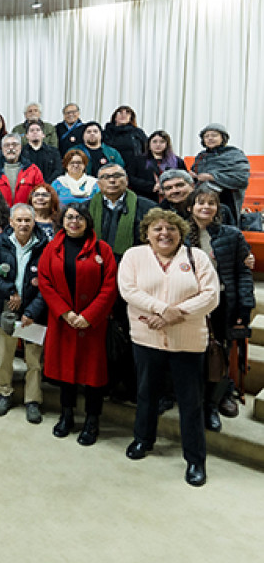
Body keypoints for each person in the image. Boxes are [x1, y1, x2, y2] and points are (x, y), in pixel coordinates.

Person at [118, 208, 219, 487]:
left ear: (181, 232)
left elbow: (211, 295)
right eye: (157, 229)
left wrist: (178, 313)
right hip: (146, 338)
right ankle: (143, 440)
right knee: (146, 393)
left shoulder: (195, 257)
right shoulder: (134, 256)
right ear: (147, 233)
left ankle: (196, 459)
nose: (165, 234)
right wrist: (164, 310)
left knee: (190, 402)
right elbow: (128, 290)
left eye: (171, 229)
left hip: (188, 341)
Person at [37, 202, 117, 445]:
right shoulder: (52, 248)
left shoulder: (102, 249)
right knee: (65, 373)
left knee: (93, 376)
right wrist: (65, 312)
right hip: (63, 322)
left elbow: (110, 286)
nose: (74, 221)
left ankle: (92, 420)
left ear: (87, 221)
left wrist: (89, 316)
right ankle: (67, 415)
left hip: (92, 325)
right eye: (70, 217)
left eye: (80, 217)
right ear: (62, 220)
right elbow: (44, 281)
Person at [186, 186, 255, 431]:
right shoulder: (178, 233)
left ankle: (211, 405)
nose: (205, 207)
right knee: (190, 356)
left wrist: (245, 307)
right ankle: (191, 403)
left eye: (211, 203)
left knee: (219, 356)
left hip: (222, 304)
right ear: (190, 207)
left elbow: (243, 273)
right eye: (200, 203)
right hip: (189, 306)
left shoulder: (231, 234)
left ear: (217, 208)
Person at [88, 162, 157, 403]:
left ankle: (132, 386)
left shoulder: (146, 208)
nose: (113, 181)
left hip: (135, 284)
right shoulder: (88, 208)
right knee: (102, 336)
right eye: (106, 177)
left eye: (118, 176)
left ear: (127, 180)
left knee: (132, 336)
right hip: (98, 283)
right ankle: (105, 382)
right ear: (98, 184)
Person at [0, 204, 48, 423]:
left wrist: (32, 311)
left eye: (27, 220)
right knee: (4, 357)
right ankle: (4, 393)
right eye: (18, 220)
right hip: (5, 310)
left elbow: (48, 283)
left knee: (34, 361)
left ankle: (32, 400)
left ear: (34, 221)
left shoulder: (44, 246)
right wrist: (9, 291)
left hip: (33, 314)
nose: (23, 224)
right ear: (11, 222)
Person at [192, 123, 250, 222]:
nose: (210, 138)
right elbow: (197, 175)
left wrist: (212, 177)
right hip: (201, 198)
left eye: (214, 135)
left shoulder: (234, 154)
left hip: (226, 199)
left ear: (223, 138)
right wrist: (192, 176)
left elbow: (242, 179)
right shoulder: (201, 156)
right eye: (206, 136)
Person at [0, 134, 44, 206]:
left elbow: (40, 194)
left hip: (25, 215)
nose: (11, 148)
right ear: (1, 148)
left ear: (20, 147)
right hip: (0, 215)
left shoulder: (33, 170)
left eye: (14, 145)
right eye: (7, 145)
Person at [129, 130, 187, 202]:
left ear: (167, 144)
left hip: (172, 197)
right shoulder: (138, 160)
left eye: (162, 141)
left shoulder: (178, 161)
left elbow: (185, 179)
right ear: (149, 144)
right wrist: (152, 186)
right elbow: (131, 178)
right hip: (145, 197)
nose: (158, 144)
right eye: (154, 141)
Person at [103, 105, 147, 173]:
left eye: (127, 113)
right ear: (115, 116)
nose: (123, 115)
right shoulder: (106, 133)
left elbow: (147, 149)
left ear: (131, 118)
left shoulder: (138, 132)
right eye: (120, 112)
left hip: (134, 171)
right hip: (110, 169)